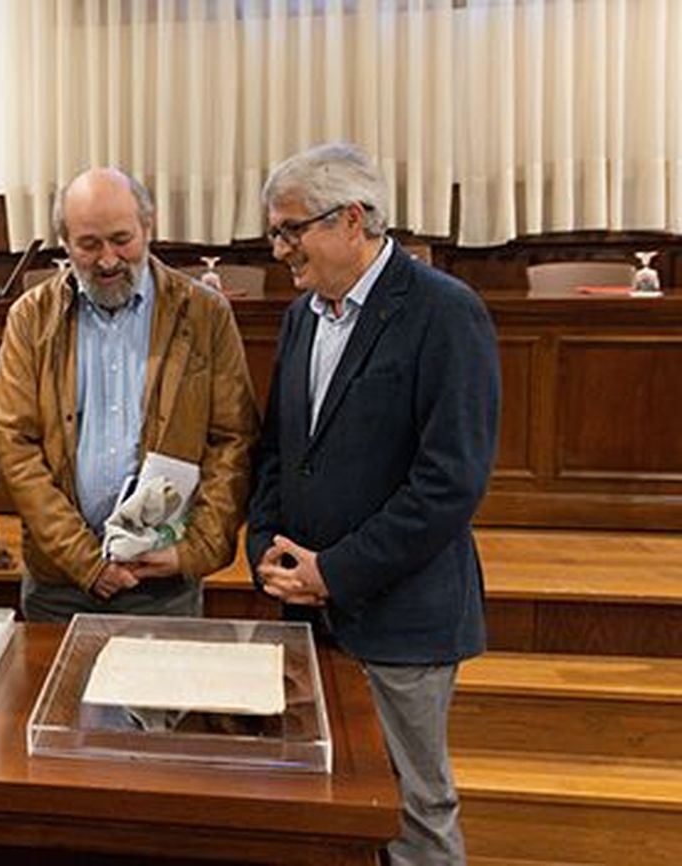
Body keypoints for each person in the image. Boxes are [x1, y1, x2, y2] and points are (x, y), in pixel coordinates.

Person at [246, 143, 500, 865]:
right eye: (274, 231)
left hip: (403, 616)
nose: (279, 249)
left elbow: (450, 482)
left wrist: (337, 571)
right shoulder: (301, 317)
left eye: (291, 230)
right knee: (323, 805)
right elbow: (280, 451)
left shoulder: (445, 313)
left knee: (415, 810)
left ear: (352, 219)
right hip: (305, 611)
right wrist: (266, 544)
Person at [0, 167, 259, 622]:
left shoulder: (205, 314)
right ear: (65, 242)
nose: (109, 259)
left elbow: (232, 441)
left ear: (148, 229)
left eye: (122, 239)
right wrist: (85, 561)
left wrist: (192, 552)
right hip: (60, 585)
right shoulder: (30, 318)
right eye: (89, 244)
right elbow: (15, 446)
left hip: (165, 582)